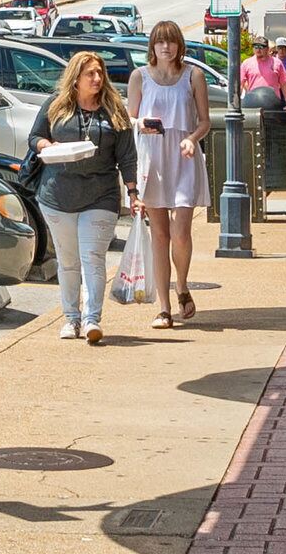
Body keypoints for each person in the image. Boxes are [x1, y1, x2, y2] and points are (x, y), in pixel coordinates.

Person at [24, 51, 138, 344]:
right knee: (68, 261)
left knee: (93, 257)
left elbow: (127, 155)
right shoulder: (56, 105)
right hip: (57, 194)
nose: (98, 79)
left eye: (100, 73)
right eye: (91, 74)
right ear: (76, 78)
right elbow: (34, 137)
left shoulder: (114, 109)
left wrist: (134, 192)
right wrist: (46, 144)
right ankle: (71, 318)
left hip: (101, 194)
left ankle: (91, 320)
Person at [126, 20, 210, 325]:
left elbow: (205, 121)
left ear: (179, 45)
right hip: (153, 158)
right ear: (152, 46)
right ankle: (164, 307)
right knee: (159, 234)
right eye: (160, 42)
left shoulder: (193, 76)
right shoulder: (140, 77)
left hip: (183, 156)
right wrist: (141, 123)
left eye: (171, 41)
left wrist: (191, 138)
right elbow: (129, 118)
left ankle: (182, 285)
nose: (166, 47)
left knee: (181, 231)